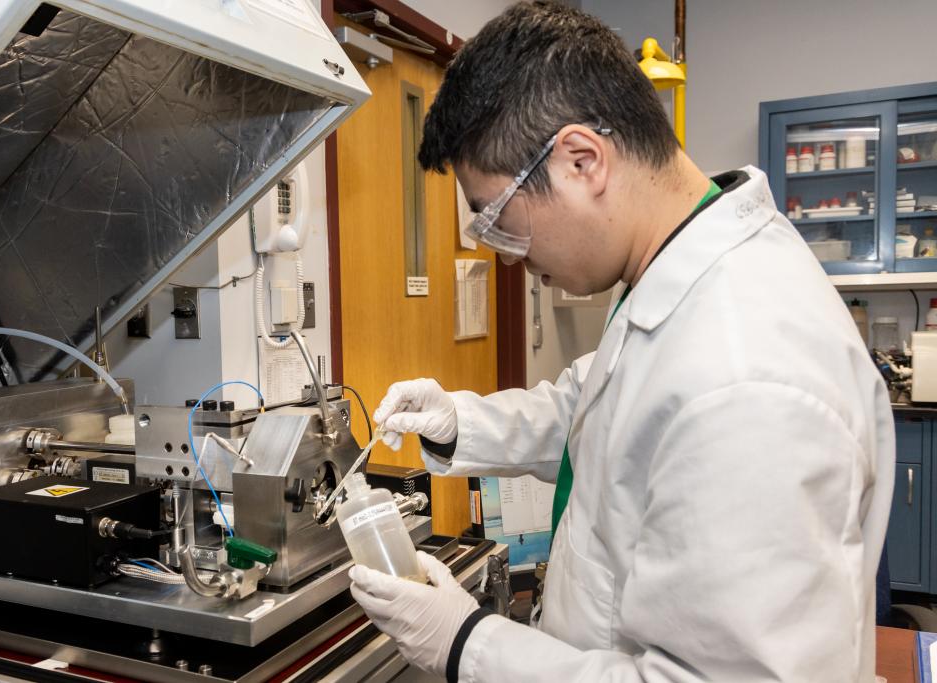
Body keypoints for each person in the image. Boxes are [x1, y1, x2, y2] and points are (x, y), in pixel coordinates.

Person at [347, 3, 894, 682]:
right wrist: (462, 422)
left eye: (497, 221)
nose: (506, 256)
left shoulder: (749, 375)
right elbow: (599, 411)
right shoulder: (672, 272)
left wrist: (470, 646)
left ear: (582, 160)